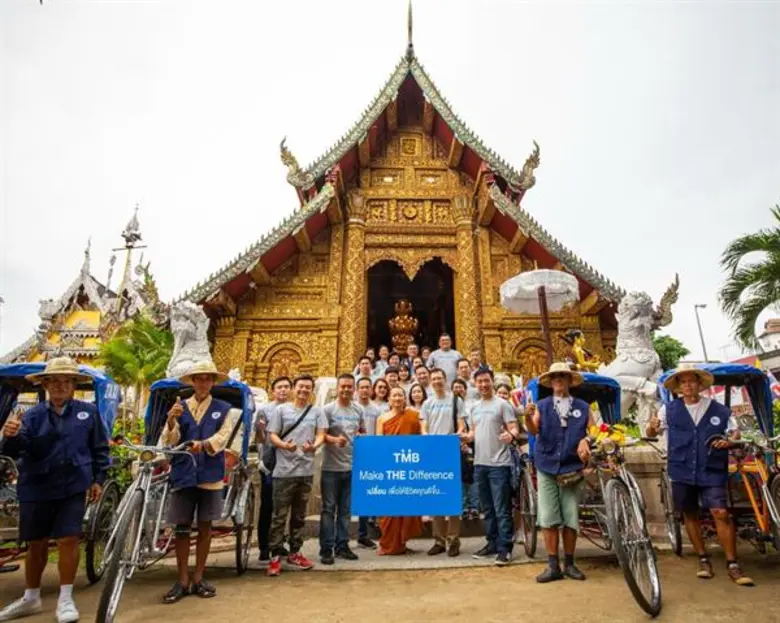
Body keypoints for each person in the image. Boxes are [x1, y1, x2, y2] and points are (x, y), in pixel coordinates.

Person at [0, 357, 109, 623]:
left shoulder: (88, 413)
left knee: (68, 539)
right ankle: (31, 597)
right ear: (46, 385)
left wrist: (98, 479)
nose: (60, 386)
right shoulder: (32, 416)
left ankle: (65, 598)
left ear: (73, 385)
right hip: (36, 484)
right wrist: (11, 435)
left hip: (73, 484)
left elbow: (99, 449)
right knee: (36, 542)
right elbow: (17, 450)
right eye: (55, 381)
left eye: (66, 381)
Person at [646, 364, 753, 586]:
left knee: (720, 512)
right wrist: (652, 426)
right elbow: (651, 432)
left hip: (711, 467)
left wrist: (729, 441)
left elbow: (734, 433)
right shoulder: (668, 410)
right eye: (683, 382)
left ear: (699, 384)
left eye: (691, 381)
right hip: (681, 468)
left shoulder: (719, 410)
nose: (687, 386)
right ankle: (703, 558)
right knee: (689, 513)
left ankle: (732, 563)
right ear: (678, 387)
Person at [158, 360, 237, 602]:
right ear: (193, 382)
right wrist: (171, 421)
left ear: (213, 382)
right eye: (199, 379)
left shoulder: (224, 408)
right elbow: (171, 440)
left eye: (208, 379)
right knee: (182, 528)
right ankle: (182, 579)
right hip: (184, 472)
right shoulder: (180, 407)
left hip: (210, 474)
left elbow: (223, 437)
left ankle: (199, 576)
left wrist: (203, 445)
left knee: (205, 527)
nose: (203, 383)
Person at [525, 362, 592, 583]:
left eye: (563, 376)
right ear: (550, 381)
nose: (559, 380)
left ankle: (570, 563)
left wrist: (586, 439)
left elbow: (595, 430)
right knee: (548, 516)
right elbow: (534, 429)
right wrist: (527, 417)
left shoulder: (583, 407)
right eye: (555, 377)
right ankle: (553, 564)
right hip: (546, 464)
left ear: (570, 380)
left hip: (572, 466)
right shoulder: (542, 406)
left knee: (570, 516)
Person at [266, 374, 328, 577]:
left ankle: (295, 551)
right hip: (283, 471)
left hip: (306, 470)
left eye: (308, 387)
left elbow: (321, 433)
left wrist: (314, 445)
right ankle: (275, 556)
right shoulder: (281, 410)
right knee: (279, 516)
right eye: (300, 386)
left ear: (312, 390)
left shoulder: (317, 411)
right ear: (294, 388)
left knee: (299, 515)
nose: (303, 390)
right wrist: (285, 445)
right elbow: (272, 434)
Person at [460, 366, 519, 566]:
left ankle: (505, 548)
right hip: (480, 463)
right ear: (475, 384)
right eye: (480, 382)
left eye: (486, 380)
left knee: (502, 508)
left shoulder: (503, 405)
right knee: (487, 508)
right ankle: (492, 543)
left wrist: (510, 435)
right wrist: (465, 438)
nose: (483, 384)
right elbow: (473, 433)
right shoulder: (474, 407)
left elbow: (513, 427)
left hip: (499, 463)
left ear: (492, 381)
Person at [320, 374, 365, 565]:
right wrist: (334, 440)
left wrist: (362, 437)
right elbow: (321, 435)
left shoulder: (358, 409)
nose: (346, 389)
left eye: (349, 386)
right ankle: (326, 549)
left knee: (345, 511)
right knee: (329, 510)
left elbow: (361, 431)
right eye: (343, 386)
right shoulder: (328, 410)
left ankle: (342, 545)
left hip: (351, 466)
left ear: (354, 389)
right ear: (337, 388)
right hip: (331, 467)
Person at [421, 368, 465, 557]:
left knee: (452, 496)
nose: (437, 381)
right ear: (430, 382)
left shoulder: (455, 400)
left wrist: (458, 434)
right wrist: (426, 436)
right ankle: (438, 539)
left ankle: (453, 539)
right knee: (435, 495)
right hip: (433, 452)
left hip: (451, 451)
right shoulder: (427, 403)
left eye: (440, 378)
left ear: (445, 380)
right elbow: (423, 425)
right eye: (434, 379)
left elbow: (461, 423)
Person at [376, 387, 424, 554]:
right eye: (394, 395)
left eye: (400, 395)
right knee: (389, 508)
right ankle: (388, 544)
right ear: (389, 399)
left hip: (409, 465)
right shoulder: (382, 418)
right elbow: (379, 444)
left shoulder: (414, 416)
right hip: (390, 468)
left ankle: (401, 542)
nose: (397, 398)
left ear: (405, 398)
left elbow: (421, 439)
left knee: (406, 506)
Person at [255, 376, 291, 563]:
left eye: (286, 387)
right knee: (267, 506)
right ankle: (264, 546)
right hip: (269, 463)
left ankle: (278, 543)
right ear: (273, 391)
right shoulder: (264, 410)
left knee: (283, 507)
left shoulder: (293, 410)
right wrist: (260, 430)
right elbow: (260, 439)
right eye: (279, 387)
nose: (283, 390)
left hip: (289, 463)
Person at [355, 376, 380, 549]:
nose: (364, 390)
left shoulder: (376, 410)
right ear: (357, 390)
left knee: (366, 494)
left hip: (370, 454)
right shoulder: (353, 407)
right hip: (349, 454)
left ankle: (363, 534)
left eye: (367, 387)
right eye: (362, 387)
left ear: (371, 390)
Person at [452, 379, 480, 520]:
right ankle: (463, 506)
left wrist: (468, 439)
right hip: (455, 443)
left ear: (465, 389)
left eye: (460, 387)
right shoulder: (450, 405)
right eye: (455, 387)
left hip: (473, 442)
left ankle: (475, 507)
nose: (458, 390)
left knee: (473, 474)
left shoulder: (473, 405)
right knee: (460, 475)